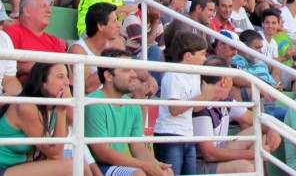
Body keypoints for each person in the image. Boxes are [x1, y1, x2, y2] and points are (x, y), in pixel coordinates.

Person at [85, 48, 173, 176]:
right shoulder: (93, 103)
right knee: (137, 174)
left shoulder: (132, 105)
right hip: (94, 168)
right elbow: (102, 153)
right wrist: (145, 166)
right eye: (126, 70)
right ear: (108, 76)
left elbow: (138, 147)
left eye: (133, 69)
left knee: (167, 173)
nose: (134, 74)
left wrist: (155, 165)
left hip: (116, 166)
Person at [193, 56, 281, 174]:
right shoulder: (201, 108)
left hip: (218, 153)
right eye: (232, 78)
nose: (233, 81)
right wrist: (250, 154)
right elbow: (209, 154)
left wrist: (271, 129)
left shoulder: (225, 101)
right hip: (201, 164)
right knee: (245, 167)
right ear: (224, 81)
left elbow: (256, 120)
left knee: (258, 128)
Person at [0, 62, 77, 176]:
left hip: (17, 166)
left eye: (67, 76)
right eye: (60, 77)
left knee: (74, 164)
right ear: (42, 83)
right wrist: (61, 111)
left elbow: (74, 121)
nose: (67, 82)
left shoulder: (52, 106)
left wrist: (64, 107)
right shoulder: (26, 106)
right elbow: (55, 154)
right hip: (3, 168)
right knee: (75, 167)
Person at [154, 32, 212, 176]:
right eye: (202, 54)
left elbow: (196, 108)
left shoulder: (195, 74)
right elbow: (174, 109)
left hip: (187, 134)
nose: (205, 59)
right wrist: (203, 96)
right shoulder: (173, 75)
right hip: (168, 135)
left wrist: (212, 94)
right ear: (188, 56)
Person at [4, 0, 66, 82]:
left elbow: (66, 70)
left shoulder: (55, 41)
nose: (49, 11)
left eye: (49, 7)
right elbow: (3, 67)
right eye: (43, 6)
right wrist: (31, 67)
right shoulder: (11, 33)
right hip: (25, 91)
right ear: (27, 11)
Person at [68, 2, 122, 94]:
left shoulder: (116, 44)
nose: (118, 25)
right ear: (100, 26)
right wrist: (109, 61)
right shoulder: (78, 49)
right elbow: (87, 88)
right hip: (89, 103)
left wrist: (148, 78)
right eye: (114, 21)